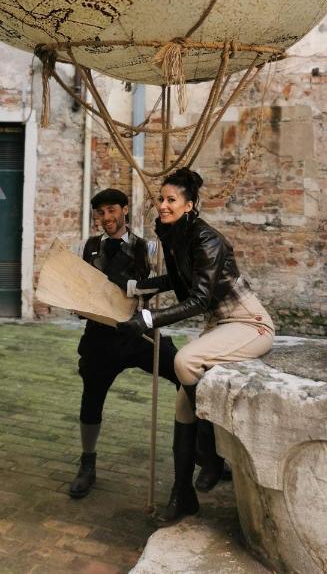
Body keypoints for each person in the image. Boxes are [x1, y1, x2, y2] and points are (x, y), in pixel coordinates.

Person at [118, 168, 275, 526]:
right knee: (181, 407)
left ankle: (212, 451)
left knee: (185, 361)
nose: (163, 205)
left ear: (190, 205)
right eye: (161, 198)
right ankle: (183, 494)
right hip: (218, 324)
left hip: (248, 322)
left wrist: (148, 320)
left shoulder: (207, 239)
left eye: (172, 200)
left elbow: (200, 299)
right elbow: (178, 282)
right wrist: (138, 288)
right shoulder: (175, 236)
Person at [69, 187, 180, 499]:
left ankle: (204, 454)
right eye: (101, 213)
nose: (106, 218)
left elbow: (167, 281)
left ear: (124, 210)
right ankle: (87, 463)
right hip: (100, 338)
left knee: (185, 373)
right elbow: (77, 289)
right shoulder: (87, 248)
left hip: (139, 334)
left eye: (112, 211)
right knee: (91, 397)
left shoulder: (148, 249)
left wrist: (138, 289)